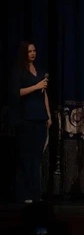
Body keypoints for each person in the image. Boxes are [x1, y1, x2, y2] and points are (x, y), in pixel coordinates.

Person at [10, 41, 51, 204]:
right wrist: (35, 86)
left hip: (40, 117)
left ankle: (36, 193)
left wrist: (48, 115)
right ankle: (25, 193)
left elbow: (44, 94)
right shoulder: (19, 71)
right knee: (26, 156)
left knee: (37, 157)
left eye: (34, 50)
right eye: (29, 51)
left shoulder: (40, 71)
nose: (33, 53)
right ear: (24, 53)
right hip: (26, 118)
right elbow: (16, 93)